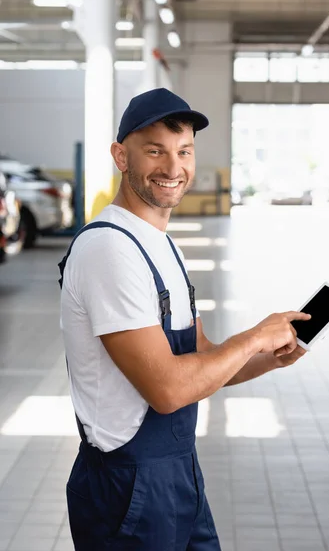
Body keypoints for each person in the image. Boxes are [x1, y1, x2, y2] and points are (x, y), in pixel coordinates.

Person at [59, 87, 311, 550]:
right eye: (154, 151)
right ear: (121, 156)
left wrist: (269, 357)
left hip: (178, 473)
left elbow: (202, 360)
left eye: (184, 152)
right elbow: (169, 389)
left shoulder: (164, 246)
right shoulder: (109, 249)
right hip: (127, 488)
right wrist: (254, 337)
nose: (173, 169)